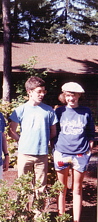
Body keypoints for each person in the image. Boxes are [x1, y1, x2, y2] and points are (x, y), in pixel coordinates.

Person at [8, 76, 57, 206]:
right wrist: (22, 140)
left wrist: (42, 140)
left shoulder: (49, 110)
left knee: (40, 187)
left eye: (43, 91)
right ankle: (22, 215)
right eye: (39, 91)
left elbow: (53, 132)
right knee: (23, 186)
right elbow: (11, 131)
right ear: (29, 92)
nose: (42, 94)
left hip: (42, 155)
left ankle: (38, 215)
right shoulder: (20, 110)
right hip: (25, 154)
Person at [53, 82, 95, 222]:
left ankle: (76, 220)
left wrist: (89, 148)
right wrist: (55, 149)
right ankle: (61, 218)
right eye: (68, 95)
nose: (71, 98)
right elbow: (54, 132)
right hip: (62, 153)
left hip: (80, 155)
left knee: (77, 189)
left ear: (79, 96)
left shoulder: (86, 111)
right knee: (61, 189)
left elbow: (90, 132)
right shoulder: (59, 111)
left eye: (74, 95)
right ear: (64, 96)